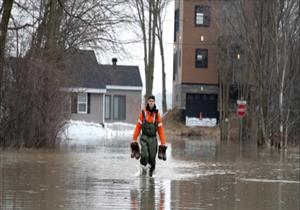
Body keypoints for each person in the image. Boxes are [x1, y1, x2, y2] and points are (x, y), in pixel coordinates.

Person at [131, 95, 167, 177]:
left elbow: (160, 129)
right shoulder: (143, 113)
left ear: (154, 102)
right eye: (150, 101)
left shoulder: (157, 114)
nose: (151, 102)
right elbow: (138, 127)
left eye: (152, 101)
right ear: (148, 102)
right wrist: (134, 139)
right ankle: (142, 170)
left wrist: (163, 142)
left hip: (153, 139)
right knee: (144, 155)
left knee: (152, 159)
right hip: (144, 138)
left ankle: (151, 174)